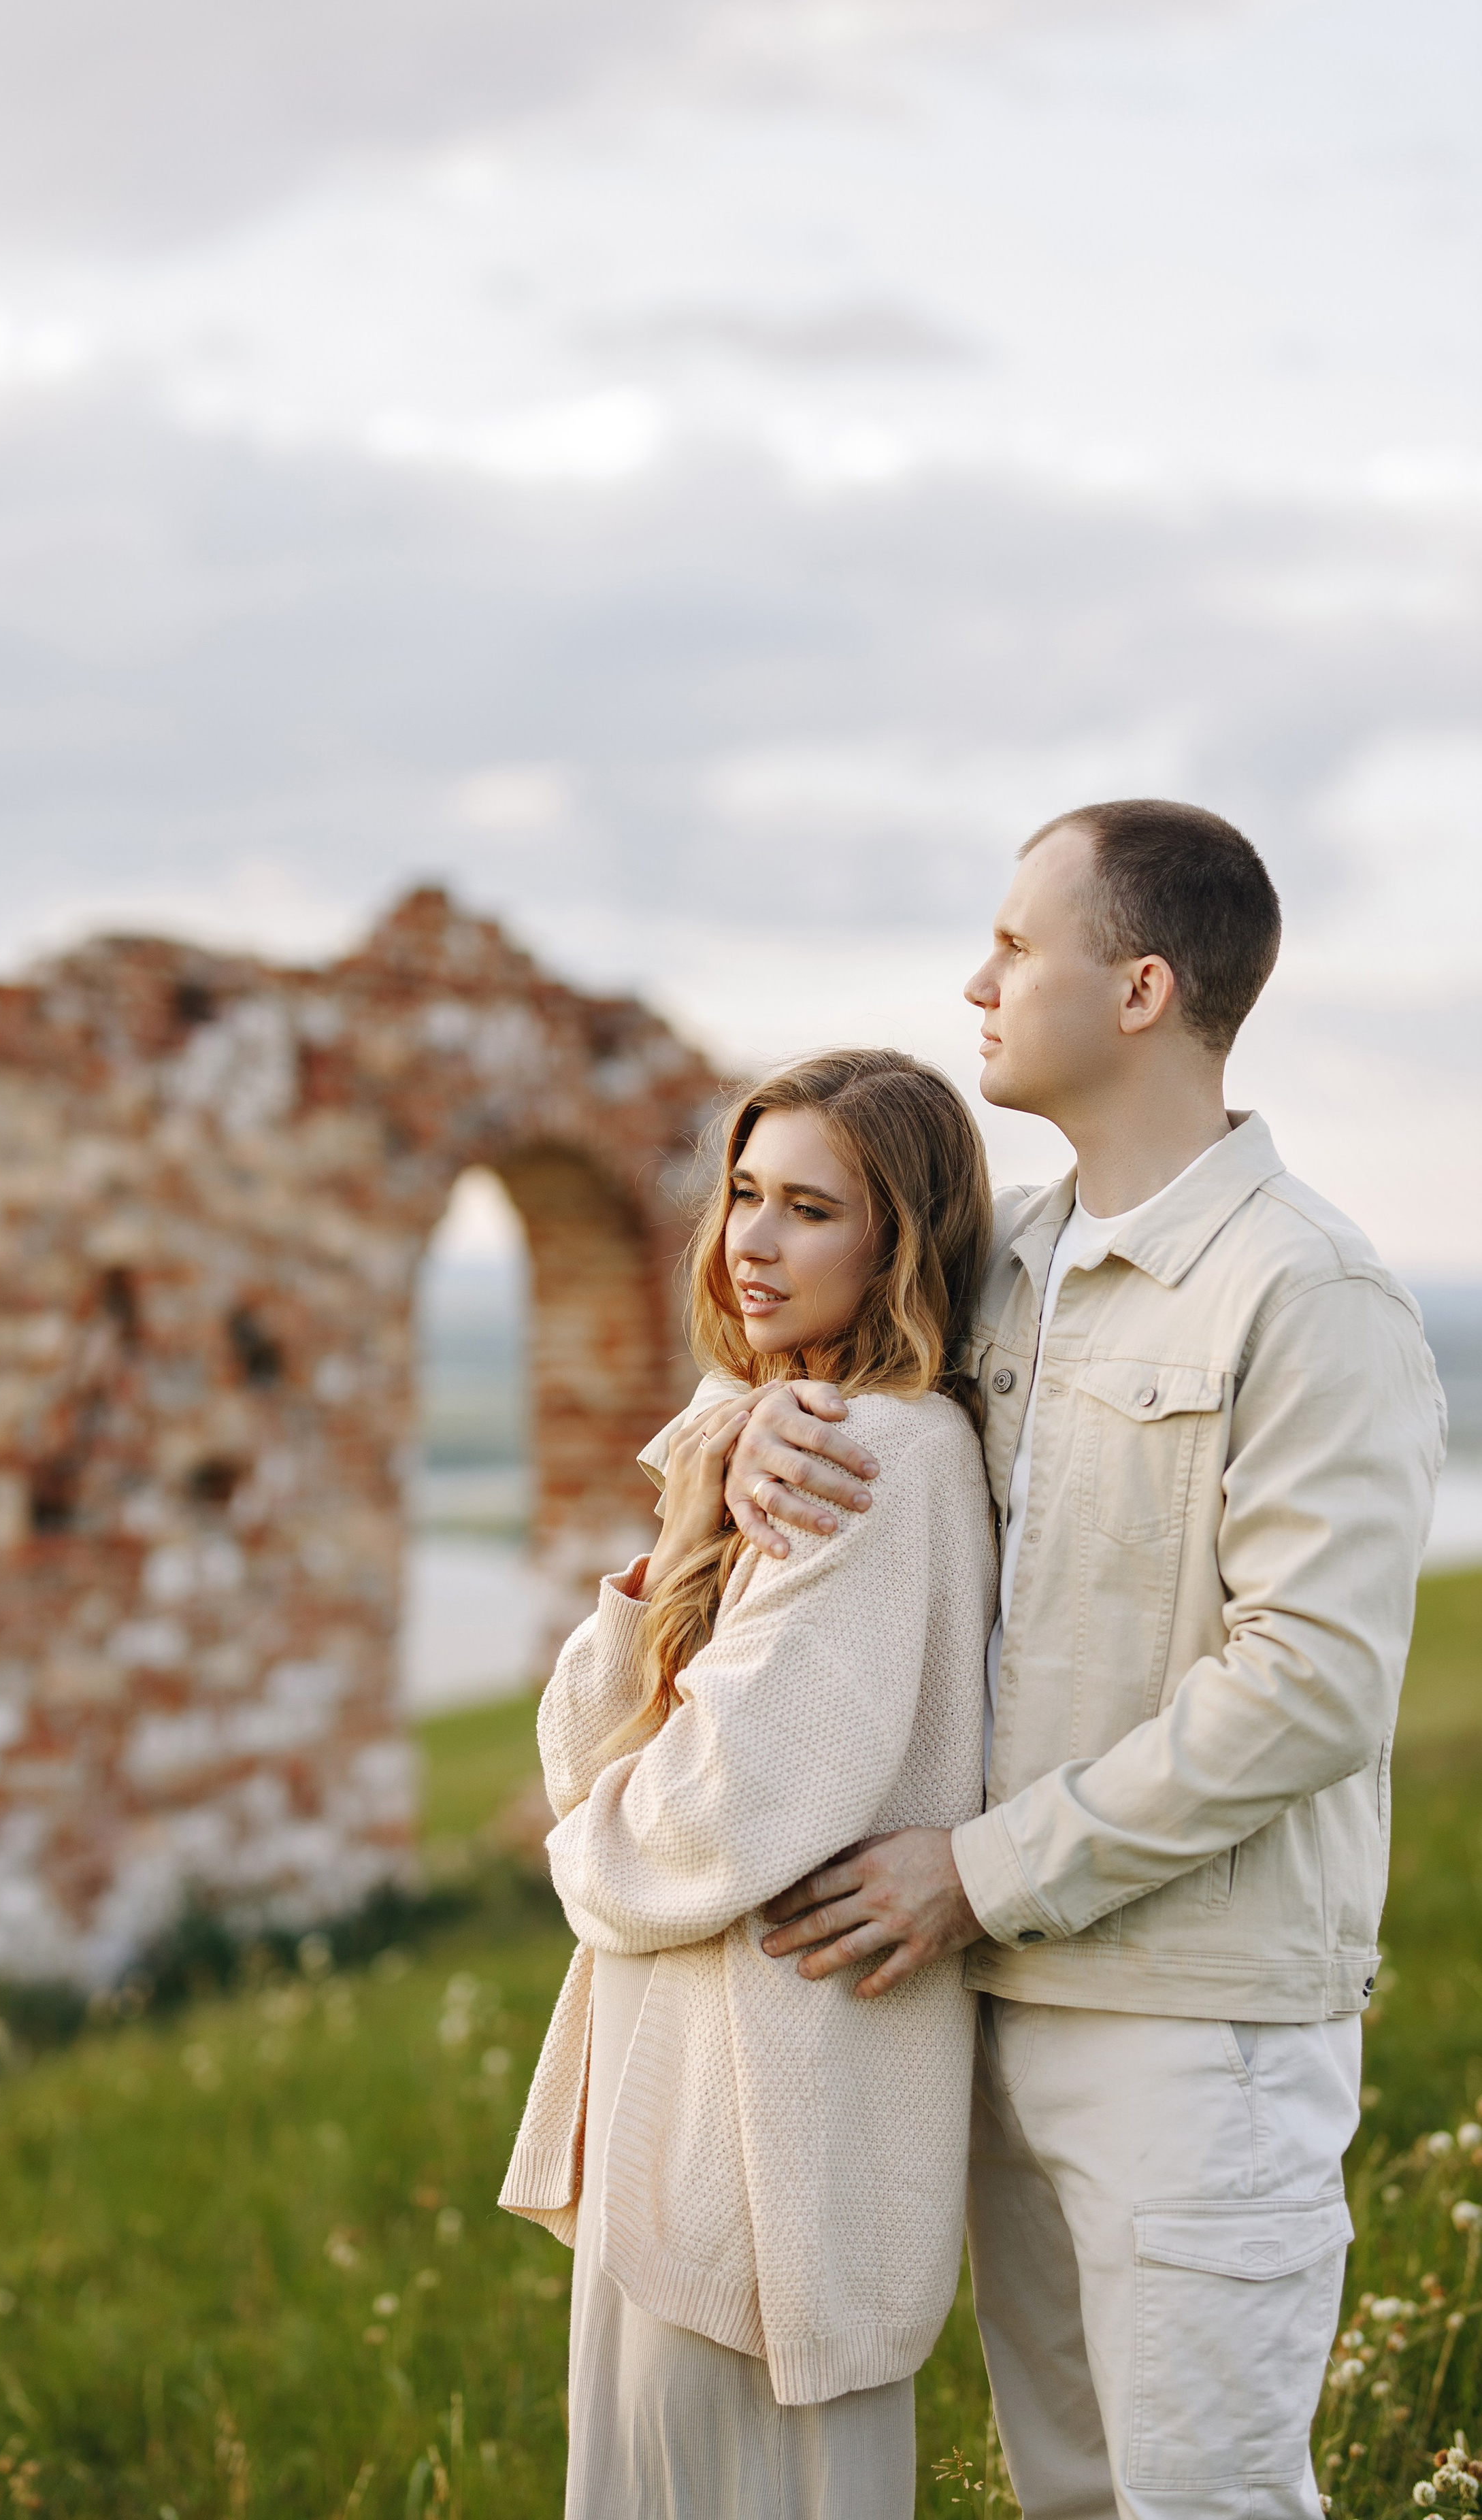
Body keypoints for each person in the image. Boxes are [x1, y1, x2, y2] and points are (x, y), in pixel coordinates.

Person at [713, 801, 1446, 2520]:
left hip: (1193, 2035)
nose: (976, 980)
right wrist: (741, 1432)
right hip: (990, 2014)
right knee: (1073, 2500)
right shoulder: (1005, 1272)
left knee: (1205, 2505)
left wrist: (976, 1874)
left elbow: (1312, 1688)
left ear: (1136, 988)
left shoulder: (1305, 1293)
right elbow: (836, 1376)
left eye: (1016, 944)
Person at [500, 1050, 998, 2520]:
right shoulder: (768, 1435)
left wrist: (583, 1851)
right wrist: (684, 1511)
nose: (750, 1245)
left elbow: (670, 1831)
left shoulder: (879, 1463)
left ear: (898, 1240)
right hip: (685, 2104)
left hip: (758, 2129)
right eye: (739, 1196)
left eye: (807, 1209)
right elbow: (580, 1744)